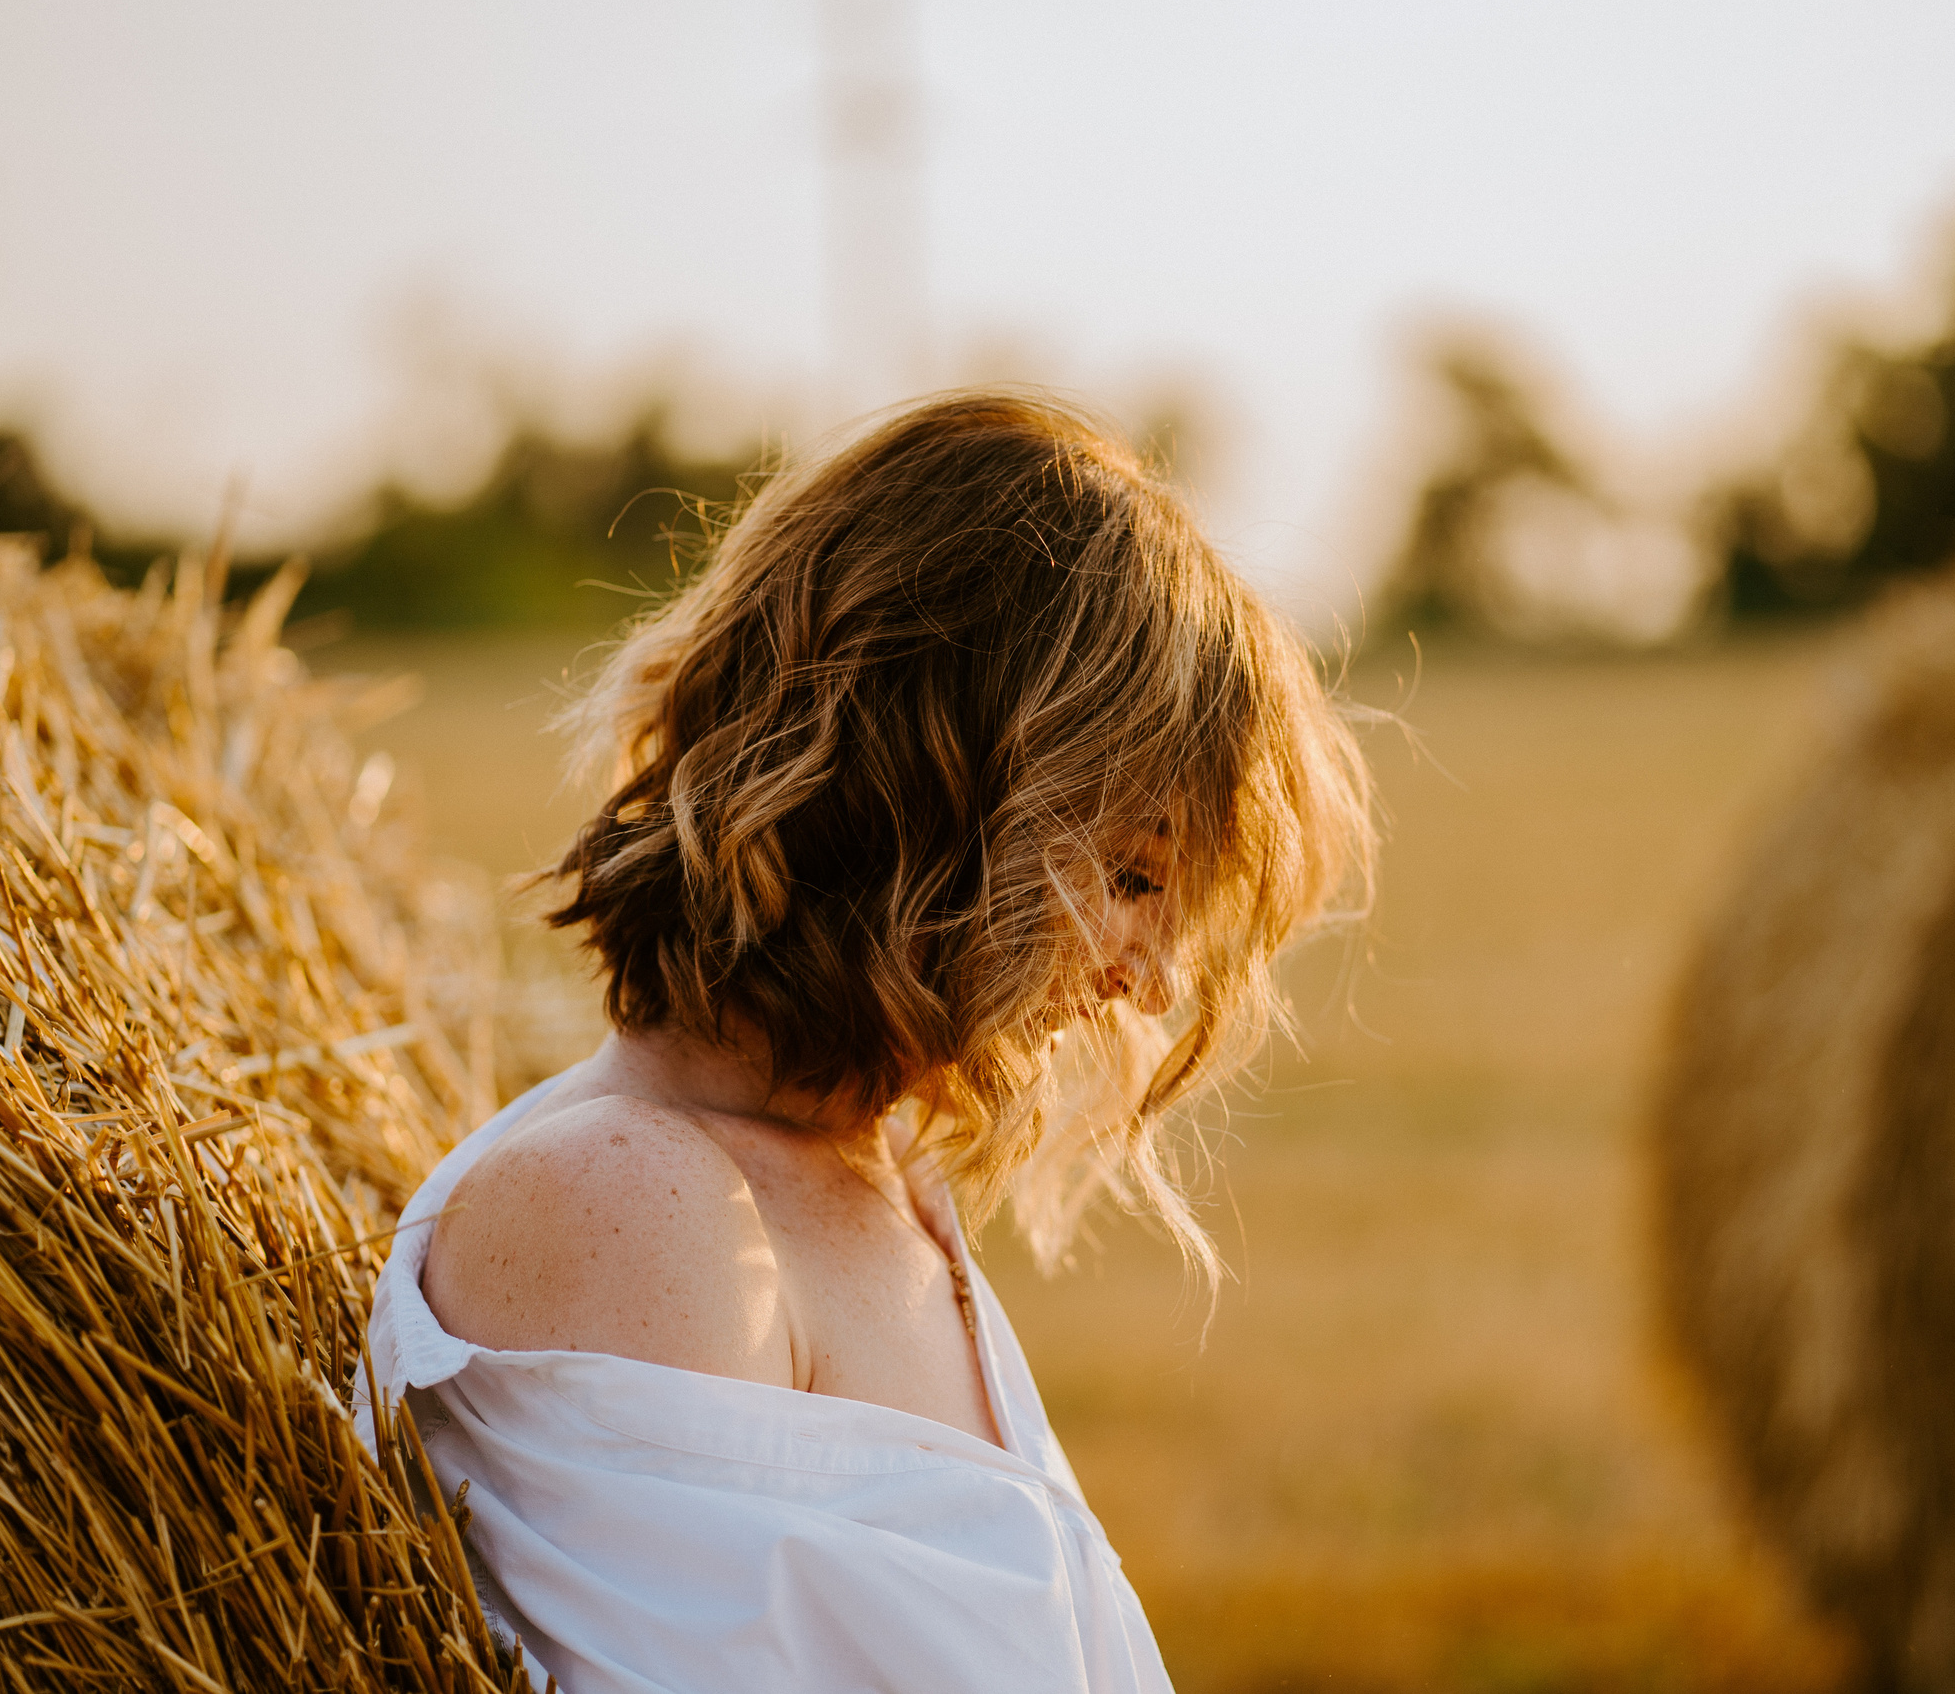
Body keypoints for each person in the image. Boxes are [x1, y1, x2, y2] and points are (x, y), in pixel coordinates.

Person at [356, 390, 1373, 1693]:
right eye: (1130, 874)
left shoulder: (884, 1181)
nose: (1156, 981)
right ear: (929, 794)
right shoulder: (639, 1205)